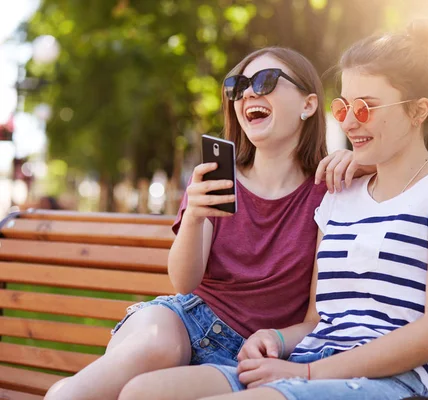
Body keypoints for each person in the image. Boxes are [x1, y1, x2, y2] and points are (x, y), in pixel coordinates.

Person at [136, 20, 428, 400]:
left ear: (418, 111)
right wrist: (273, 338)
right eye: (343, 107)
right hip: (310, 364)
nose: (350, 123)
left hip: (392, 382)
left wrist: (305, 371)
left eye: (366, 108)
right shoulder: (338, 195)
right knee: (144, 392)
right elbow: (316, 322)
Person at [44, 46, 357, 400]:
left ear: (308, 105)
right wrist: (193, 216)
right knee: (150, 349)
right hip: (183, 323)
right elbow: (183, 282)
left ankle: (65, 390)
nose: (249, 92)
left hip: (254, 356)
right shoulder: (215, 180)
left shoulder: (328, 195)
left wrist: (357, 160)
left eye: (266, 80)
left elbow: (316, 318)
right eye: (238, 86)